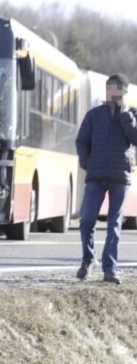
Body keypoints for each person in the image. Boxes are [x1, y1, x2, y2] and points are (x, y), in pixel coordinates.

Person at [75, 73, 137, 285]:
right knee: (86, 220)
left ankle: (110, 268)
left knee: (114, 224)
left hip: (120, 177)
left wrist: (126, 114)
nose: (113, 92)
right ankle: (88, 260)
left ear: (125, 91)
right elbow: (81, 140)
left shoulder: (132, 114)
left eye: (117, 88)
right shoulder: (94, 115)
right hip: (96, 175)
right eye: (110, 87)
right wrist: (86, 162)